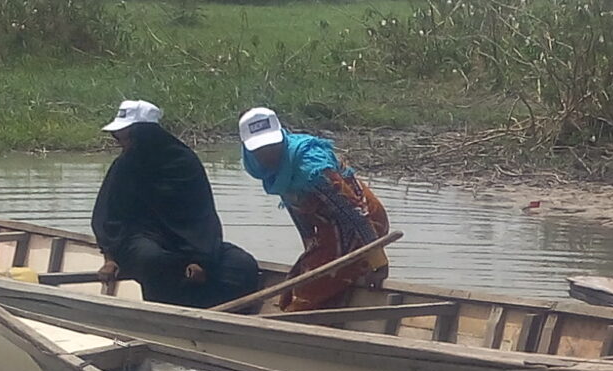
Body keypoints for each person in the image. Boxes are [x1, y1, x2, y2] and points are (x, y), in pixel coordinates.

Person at [90, 98, 262, 306]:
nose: (120, 141)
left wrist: (200, 260)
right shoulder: (125, 166)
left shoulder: (185, 163)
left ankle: (219, 312)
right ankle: (168, 315)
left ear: (145, 134)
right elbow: (108, 217)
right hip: (140, 241)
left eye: (124, 136)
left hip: (189, 245)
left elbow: (202, 219)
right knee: (153, 260)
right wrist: (109, 259)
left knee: (242, 265)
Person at [237, 106, 389, 311]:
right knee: (294, 283)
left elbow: (355, 215)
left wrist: (378, 262)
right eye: (260, 150)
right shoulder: (265, 169)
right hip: (329, 226)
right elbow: (297, 211)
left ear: (281, 138)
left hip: (365, 224)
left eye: (272, 146)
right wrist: (310, 249)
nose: (268, 154)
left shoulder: (312, 170)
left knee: (307, 292)